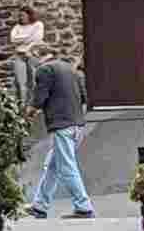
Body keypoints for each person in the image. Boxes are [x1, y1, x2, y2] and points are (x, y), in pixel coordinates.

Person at [10, 17, 93, 217]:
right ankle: (40, 206)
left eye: (30, 59)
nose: (30, 64)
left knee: (67, 166)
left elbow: (39, 99)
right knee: (53, 167)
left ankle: (83, 206)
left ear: (38, 57)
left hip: (62, 125)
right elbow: (84, 97)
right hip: (77, 124)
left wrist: (25, 116)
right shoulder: (70, 69)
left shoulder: (44, 70)